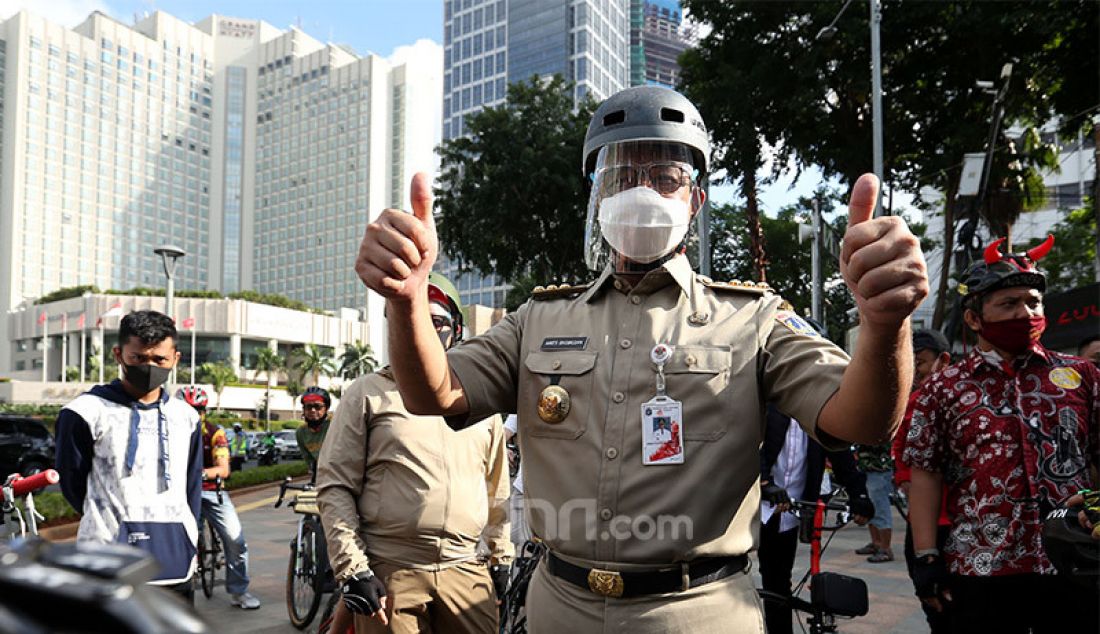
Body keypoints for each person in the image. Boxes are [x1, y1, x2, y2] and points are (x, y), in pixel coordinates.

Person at [354, 85, 928, 632]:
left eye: (666, 176)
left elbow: (863, 421)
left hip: (700, 614)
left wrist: (884, 325)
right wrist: (408, 299)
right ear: (597, 197)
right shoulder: (540, 319)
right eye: (621, 174)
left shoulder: (751, 317)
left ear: (695, 198)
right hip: (559, 608)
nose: (641, 190)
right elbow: (433, 393)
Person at [905, 237, 1100, 632]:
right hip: (980, 567)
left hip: (1073, 559)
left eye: (1033, 301)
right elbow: (925, 475)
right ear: (974, 318)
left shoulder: (1083, 376)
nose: (1025, 312)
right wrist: (926, 558)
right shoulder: (943, 389)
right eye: (1008, 304)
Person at [317, 273, 513, 633]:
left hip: (467, 571)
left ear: (455, 329)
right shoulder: (367, 393)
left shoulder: (479, 402)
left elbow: (496, 490)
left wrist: (501, 558)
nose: (422, 328)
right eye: (411, 318)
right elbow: (335, 485)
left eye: (435, 320)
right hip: (392, 571)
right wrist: (353, 569)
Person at [54, 310, 203, 603]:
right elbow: (73, 484)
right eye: (138, 358)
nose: (149, 366)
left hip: (175, 560)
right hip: (106, 557)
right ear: (119, 354)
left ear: (175, 359)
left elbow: (192, 485)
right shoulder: (84, 412)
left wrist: (189, 534)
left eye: (159, 359)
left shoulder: (186, 416)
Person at [758, 404, 873, 634]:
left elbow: (840, 456)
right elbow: (745, 450)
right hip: (754, 508)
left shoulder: (819, 416)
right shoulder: (767, 408)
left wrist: (859, 495)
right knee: (741, 577)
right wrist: (764, 483)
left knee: (778, 582)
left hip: (791, 512)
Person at [177, 386, 261, 610]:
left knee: (235, 540)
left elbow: (223, 470)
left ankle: (239, 592)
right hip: (181, 494)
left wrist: (198, 474)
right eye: (187, 409)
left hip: (211, 491)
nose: (194, 415)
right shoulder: (169, 432)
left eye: (198, 410)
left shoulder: (215, 433)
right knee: (179, 542)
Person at [892, 328, 953, 632]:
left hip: (959, 528)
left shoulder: (961, 398)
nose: (916, 371)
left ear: (944, 360)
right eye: (910, 362)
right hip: (929, 528)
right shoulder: (914, 401)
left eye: (921, 362)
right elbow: (902, 458)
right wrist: (908, 483)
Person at [853, 440, 895, 562]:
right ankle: (876, 543)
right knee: (870, 507)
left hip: (879, 467)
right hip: (867, 466)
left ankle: (885, 548)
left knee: (880, 507)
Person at [503, 413, 533, 551]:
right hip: (524, 488)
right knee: (520, 547)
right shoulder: (527, 404)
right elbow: (502, 436)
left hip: (555, 494)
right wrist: (504, 449)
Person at [296, 386, 331, 475]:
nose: (312, 410)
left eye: (317, 406)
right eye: (308, 407)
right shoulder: (301, 432)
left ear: (326, 408)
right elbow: (309, 461)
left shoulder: (335, 425)